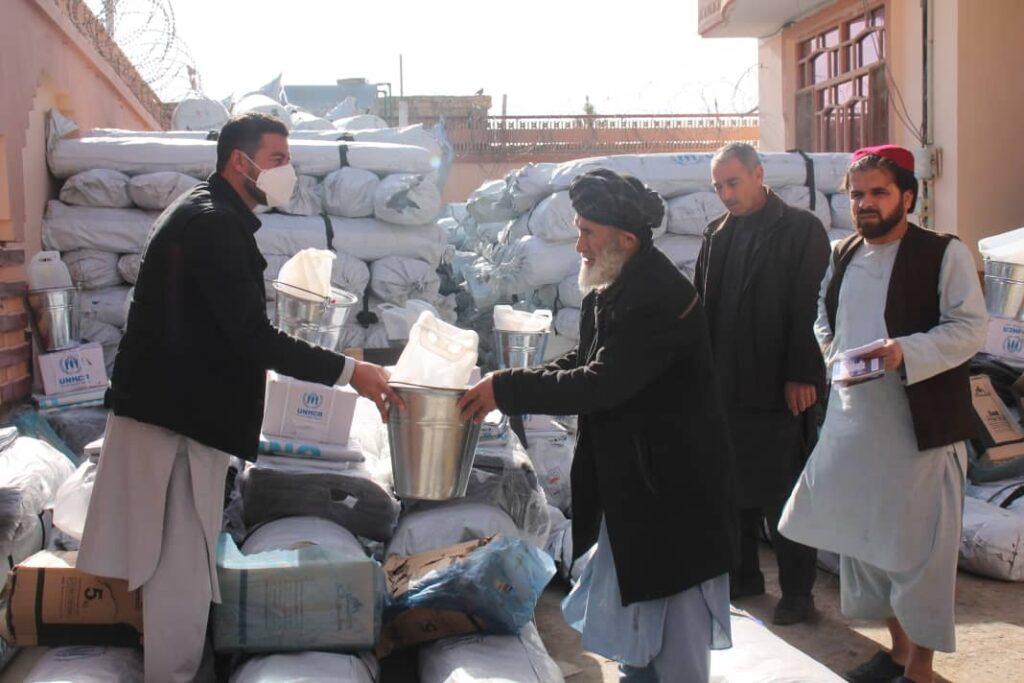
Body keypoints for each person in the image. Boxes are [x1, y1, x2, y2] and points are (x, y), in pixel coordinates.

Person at [77, 113, 400, 682]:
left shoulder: (206, 214)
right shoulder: (212, 225)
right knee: (178, 560)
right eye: (277, 159)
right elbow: (251, 336)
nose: (287, 172)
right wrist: (350, 370)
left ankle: (184, 667)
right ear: (239, 162)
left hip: (179, 411)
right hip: (176, 420)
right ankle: (173, 675)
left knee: (183, 555)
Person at [460, 169, 738, 682]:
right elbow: (578, 364)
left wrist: (509, 388)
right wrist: (503, 380)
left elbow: (600, 383)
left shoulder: (658, 297)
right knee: (637, 626)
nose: (579, 244)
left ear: (625, 239)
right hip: (634, 488)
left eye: (588, 232)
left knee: (675, 638)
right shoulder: (610, 287)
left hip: (675, 493)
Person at [778, 145, 987, 683]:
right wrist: (833, 357)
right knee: (867, 546)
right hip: (855, 425)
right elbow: (823, 319)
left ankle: (920, 668)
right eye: (857, 195)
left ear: (908, 197)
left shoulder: (943, 253)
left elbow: (969, 328)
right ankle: (896, 651)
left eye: (878, 193)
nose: (865, 204)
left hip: (919, 431)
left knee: (920, 554)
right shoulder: (842, 253)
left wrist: (904, 352)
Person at [693, 142, 829, 625]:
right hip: (725, 387)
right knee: (730, 491)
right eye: (718, 187)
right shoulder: (716, 235)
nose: (726, 194)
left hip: (780, 387)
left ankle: (797, 593)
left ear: (757, 174)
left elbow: (810, 306)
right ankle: (743, 575)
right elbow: (701, 311)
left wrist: (803, 373)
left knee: (783, 493)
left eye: (733, 182)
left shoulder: (800, 229)